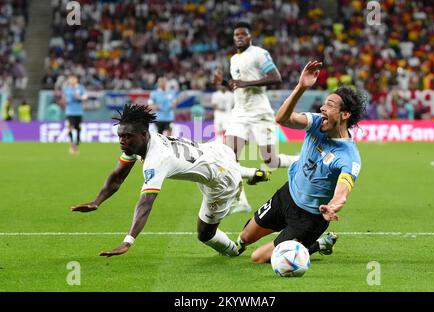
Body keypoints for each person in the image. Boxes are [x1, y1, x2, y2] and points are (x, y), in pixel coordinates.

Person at [70, 103, 268, 257]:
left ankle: (236, 249)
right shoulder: (139, 143)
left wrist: (128, 241)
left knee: (204, 234)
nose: (122, 141)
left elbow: (145, 203)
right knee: (218, 167)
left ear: (143, 134)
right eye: (120, 136)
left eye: (127, 136)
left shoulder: (157, 159)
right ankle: (251, 173)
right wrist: (97, 201)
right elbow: (117, 177)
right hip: (214, 150)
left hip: (221, 181)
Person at [234, 60, 365, 263]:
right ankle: (311, 244)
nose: (322, 108)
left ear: (345, 114)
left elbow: (343, 191)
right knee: (245, 237)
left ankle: (316, 244)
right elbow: (282, 119)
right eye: (324, 103)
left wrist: (332, 206)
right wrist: (301, 87)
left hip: (309, 219)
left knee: (257, 257)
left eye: (329, 105)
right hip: (287, 196)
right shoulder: (315, 123)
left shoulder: (349, 157)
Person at [213, 22, 298, 213]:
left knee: (271, 161)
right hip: (239, 115)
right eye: (236, 34)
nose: (239, 37)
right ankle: (240, 201)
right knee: (229, 159)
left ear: (250, 37)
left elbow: (276, 77)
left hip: (260, 113)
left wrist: (246, 83)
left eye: (243, 34)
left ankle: (300, 160)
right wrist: (224, 83)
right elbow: (238, 86)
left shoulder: (259, 53)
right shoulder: (234, 59)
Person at [62, 74, 87, 154]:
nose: (72, 80)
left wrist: (79, 97)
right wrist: (65, 101)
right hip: (69, 111)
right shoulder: (66, 88)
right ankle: (72, 144)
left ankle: (77, 141)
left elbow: (85, 97)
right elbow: (64, 98)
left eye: (73, 79)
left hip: (78, 111)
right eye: (70, 79)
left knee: (78, 128)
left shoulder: (80, 88)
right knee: (70, 127)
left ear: (76, 79)